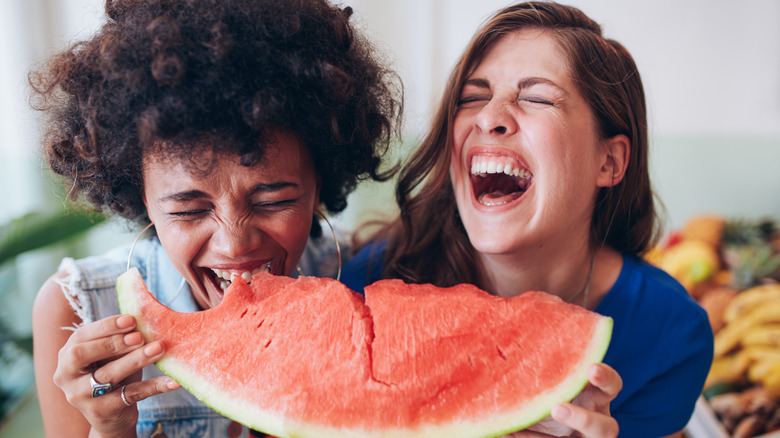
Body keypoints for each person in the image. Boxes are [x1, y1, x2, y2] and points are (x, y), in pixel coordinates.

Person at [29, 0, 401, 437]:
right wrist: (110, 429)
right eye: (188, 210)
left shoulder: (367, 280)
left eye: (272, 201)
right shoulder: (77, 306)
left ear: (317, 186)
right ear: (143, 199)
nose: (234, 245)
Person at [341, 2, 713, 437]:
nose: (488, 117)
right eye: (472, 98)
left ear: (609, 162)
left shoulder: (671, 335)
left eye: (537, 98)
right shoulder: (373, 287)